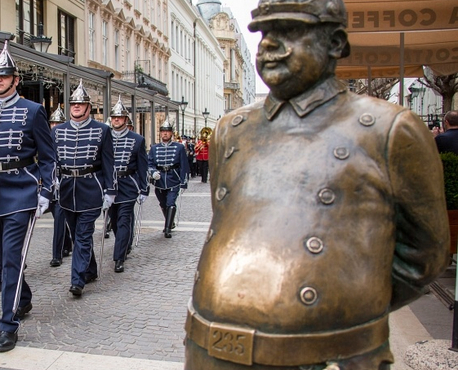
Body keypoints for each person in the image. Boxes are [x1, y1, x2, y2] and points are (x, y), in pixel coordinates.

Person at [185, 1, 450, 369]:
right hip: (210, 345)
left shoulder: (388, 129)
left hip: (331, 351)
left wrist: (343, 302)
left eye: (290, 32)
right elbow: (227, 218)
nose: (268, 46)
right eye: (264, 34)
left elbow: (425, 254)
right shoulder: (232, 129)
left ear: (336, 43)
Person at [0, 40, 56, 352]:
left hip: (22, 191)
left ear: (16, 80)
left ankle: (7, 325)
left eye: (4, 77)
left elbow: (48, 157)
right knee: (5, 258)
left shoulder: (33, 111)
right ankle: (24, 297)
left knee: (11, 259)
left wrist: (45, 191)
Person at [53, 79, 115, 297]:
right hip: (67, 190)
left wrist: (110, 190)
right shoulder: (58, 131)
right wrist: (53, 182)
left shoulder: (102, 130)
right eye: (73, 104)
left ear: (89, 107)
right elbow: (52, 162)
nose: (76, 107)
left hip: (91, 188)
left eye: (80, 104)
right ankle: (90, 269)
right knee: (78, 232)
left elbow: (109, 163)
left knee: (82, 233)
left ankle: (77, 280)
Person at [106, 96, 148, 273]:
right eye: (114, 117)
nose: (116, 120)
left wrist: (144, 188)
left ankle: (118, 258)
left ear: (125, 119)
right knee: (115, 222)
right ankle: (124, 244)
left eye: (120, 117)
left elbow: (142, 166)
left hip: (128, 185)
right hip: (110, 185)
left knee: (124, 221)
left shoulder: (137, 140)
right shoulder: (104, 136)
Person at [148, 121, 188, 238]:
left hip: (173, 178)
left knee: (171, 203)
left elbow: (184, 165)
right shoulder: (154, 148)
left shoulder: (179, 147)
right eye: (163, 132)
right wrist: (152, 172)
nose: (165, 134)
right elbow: (149, 163)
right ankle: (170, 222)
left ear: (171, 134)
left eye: (167, 132)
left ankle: (167, 228)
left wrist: (183, 182)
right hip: (159, 180)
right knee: (163, 204)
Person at [48, 107, 73, 267]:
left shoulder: (69, 141)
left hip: (64, 186)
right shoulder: (46, 139)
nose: (55, 126)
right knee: (58, 218)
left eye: (58, 123)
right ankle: (67, 244)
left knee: (59, 220)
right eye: (53, 123)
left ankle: (57, 255)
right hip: (50, 186)